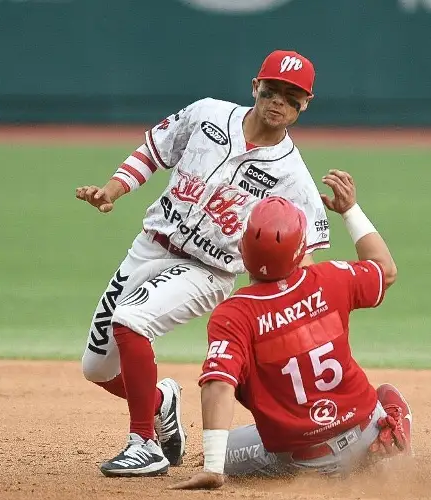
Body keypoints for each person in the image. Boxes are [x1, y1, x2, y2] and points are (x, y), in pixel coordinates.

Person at [75, 50, 332, 477]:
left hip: (208, 271)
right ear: (255, 86)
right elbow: (154, 150)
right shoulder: (207, 115)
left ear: (305, 104)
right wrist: (113, 190)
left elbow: (303, 253)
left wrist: (277, 313)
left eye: (292, 97)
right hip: (148, 247)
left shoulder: (294, 178)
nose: (279, 102)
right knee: (97, 368)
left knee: (132, 320)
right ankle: (161, 404)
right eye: (272, 91)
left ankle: (145, 444)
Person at [170, 170, 412, 490]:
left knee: (218, 452)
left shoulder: (234, 314)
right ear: (302, 249)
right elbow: (386, 270)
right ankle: (388, 443)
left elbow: (219, 383)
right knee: (387, 395)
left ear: (243, 250)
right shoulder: (332, 279)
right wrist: (350, 209)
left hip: (302, 457)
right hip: (364, 435)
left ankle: (223, 463)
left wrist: (214, 468)